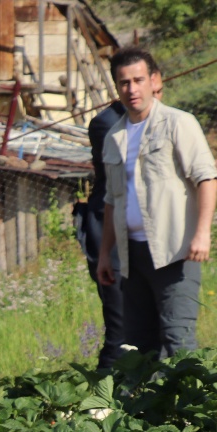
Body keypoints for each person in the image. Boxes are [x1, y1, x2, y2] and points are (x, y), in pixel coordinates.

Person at [97, 47, 217, 358]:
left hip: (175, 251)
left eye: (138, 80)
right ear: (117, 87)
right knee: (140, 347)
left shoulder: (178, 123)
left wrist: (202, 233)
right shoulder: (114, 137)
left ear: (154, 80)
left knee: (178, 341)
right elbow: (112, 200)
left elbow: (207, 178)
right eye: (124, 83)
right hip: (132, 256)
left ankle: (192, 407)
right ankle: (149, 407)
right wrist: (105, 255)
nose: (132, 89)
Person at [78, 97, 127, 367]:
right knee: (119, 323)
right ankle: (107, 393)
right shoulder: (107, 124)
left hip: (136, 234)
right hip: (110, 232)